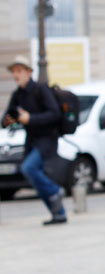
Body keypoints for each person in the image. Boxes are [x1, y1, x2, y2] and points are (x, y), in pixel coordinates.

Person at [2, 55, 67, 225]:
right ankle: (58, 213)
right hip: (31, 141)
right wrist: (9, 120)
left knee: (29, 168)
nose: (16, 75)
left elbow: (54, 114)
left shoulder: (40, 89)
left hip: (47, 139)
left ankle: (55, 191)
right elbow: (6, 117)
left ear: (28, 72)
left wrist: (30, 119)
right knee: (33, 178)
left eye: (19, 71)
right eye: (14, 72)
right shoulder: (18, 95)